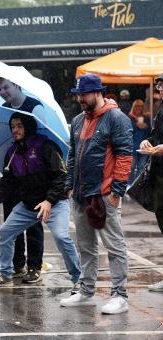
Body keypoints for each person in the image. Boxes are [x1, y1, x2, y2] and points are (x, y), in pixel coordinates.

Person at [0, 112, 81, 286]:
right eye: (12, 127)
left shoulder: (46, 146)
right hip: (28, 205)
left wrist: (49, 201)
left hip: (54, 203)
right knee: (5, 232)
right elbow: (7, 182)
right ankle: (5, 273)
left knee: (61, 237)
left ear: (29, 127)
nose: (15, 130)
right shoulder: (12, 152)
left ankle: (79, 279)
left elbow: (61, 177)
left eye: (19, 126)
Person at [60, 74, 132, 314]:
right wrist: (70, 185)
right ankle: (86, 290)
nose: (79, 98)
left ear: (98, 92)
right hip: (81, 194)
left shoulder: (116, 118)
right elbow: (72, 155)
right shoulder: (78, 120)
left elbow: (124, 156)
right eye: (78, 94)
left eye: (84, 94)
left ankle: (120, 295)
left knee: (114, 246)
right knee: (85, 246)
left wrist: (116, 191)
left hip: (104, 194)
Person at [0, 76, 45, 283]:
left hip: (33, 173)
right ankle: (17, 264)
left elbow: (45, 136)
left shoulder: (35, 107)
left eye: (6, 87)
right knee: (11, 222)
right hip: (13, 171)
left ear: (17, 84)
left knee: (32, 224)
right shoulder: (4, 109)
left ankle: (34, 266)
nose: (3, 92)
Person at [141, 74, 163, 291]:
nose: (161, 90)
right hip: (159, 176)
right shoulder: (161, 110)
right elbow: (156, 136)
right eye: (159, 86)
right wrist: (147, 142)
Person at [128, 99, 151, 184]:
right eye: (137, 106)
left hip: (144, 147)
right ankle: (129, 186)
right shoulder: (129, 118)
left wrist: (146, 127)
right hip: (132, 146)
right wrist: (136, 125)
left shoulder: (146, 118)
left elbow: (150, 132)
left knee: (141, 167)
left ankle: (137, 186)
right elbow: (127, 131)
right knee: (131, 167)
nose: (139, 108)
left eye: (141, 106)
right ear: (133, 107)